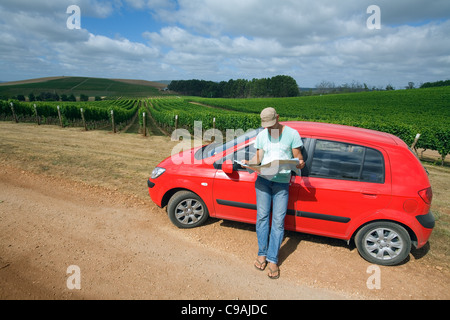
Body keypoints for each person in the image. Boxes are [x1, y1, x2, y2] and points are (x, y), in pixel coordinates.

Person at [243, 107, 305, 279]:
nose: (269, 129)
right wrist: (250, 163)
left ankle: (272, 259)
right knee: (262, 217)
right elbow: (258, 158)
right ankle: (261, 253)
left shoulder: (292, 134)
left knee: (278, 221)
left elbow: (298, 157)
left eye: (271, 125)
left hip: (281, 184)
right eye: (266, 126)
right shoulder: (262, 135)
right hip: (263, 181)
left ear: (278, 117)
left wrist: (300, 163)